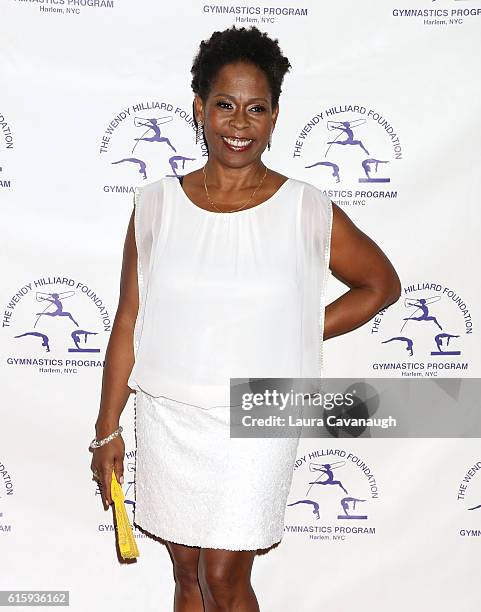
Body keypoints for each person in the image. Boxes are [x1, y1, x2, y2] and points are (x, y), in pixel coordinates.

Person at [90, 26, 401, 612]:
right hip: (170, 413)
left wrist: (298, 332)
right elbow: (130, 318)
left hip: (258, 413)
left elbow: (380, 285)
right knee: (186, 576)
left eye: (256, 108)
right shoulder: (154, 204)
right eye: (225, 106)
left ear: (275, 117)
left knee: (225, 578)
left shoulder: (305, 207)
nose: (239, 123)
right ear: (199, 110)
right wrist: (108, 428)